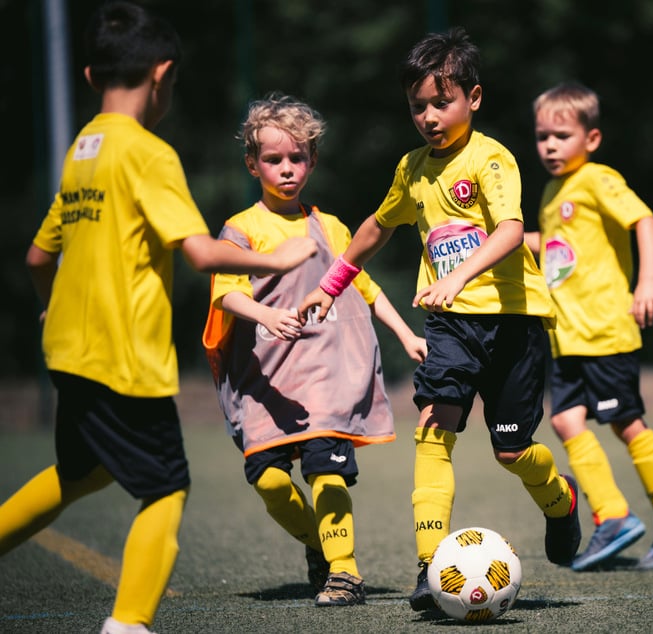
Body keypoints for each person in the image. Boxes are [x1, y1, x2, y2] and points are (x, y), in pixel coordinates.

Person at [0, 4, 317, 634]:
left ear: (91, 76)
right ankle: (127, 624)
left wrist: (48, 307)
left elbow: (40, 256)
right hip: (122, 358)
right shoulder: (147, 154)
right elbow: (199, 251)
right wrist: (275, 256)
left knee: (78, 473)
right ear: (163, 74)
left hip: (66, 350)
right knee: (166, 488)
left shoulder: (82, 150)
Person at [297, 27, 582, 611]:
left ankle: (560, 500)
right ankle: (430, 568)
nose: (428, 116)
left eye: (440, 101)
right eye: (417, 106)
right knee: (433, 430)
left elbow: (508, 230)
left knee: (512, 451)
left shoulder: (492, 157)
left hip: (512, 322)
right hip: (450, 326)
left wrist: (458, 275)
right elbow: (377, 227)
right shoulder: (412, 168)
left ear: (472, 99)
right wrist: (331, 286)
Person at [201, 92, 427, 607]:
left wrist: (406, 333)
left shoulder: (331, 227)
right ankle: (317, 545)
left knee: (327, 471)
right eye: (274, 159)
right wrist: (266, 315)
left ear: (312, 160)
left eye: (297, 158)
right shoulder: (241, 228)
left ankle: (345, 572)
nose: (287, 169)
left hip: (327, 375)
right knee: (271, 483)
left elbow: (364, 289)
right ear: (252, 164)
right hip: (267, 379)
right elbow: (227, 292)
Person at [524, 81, 653, 572]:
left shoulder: (598, 178)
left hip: (604, 329)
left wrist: (646, 282)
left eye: (561, 135)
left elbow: (645, 221)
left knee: (626, 423)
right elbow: (561, 245)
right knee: (564, 420)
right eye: (542, 136)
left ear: (592, 139)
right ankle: (614, 517)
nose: (550, 146)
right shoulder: (552, 189)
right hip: (568, 336)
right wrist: (509, 238)